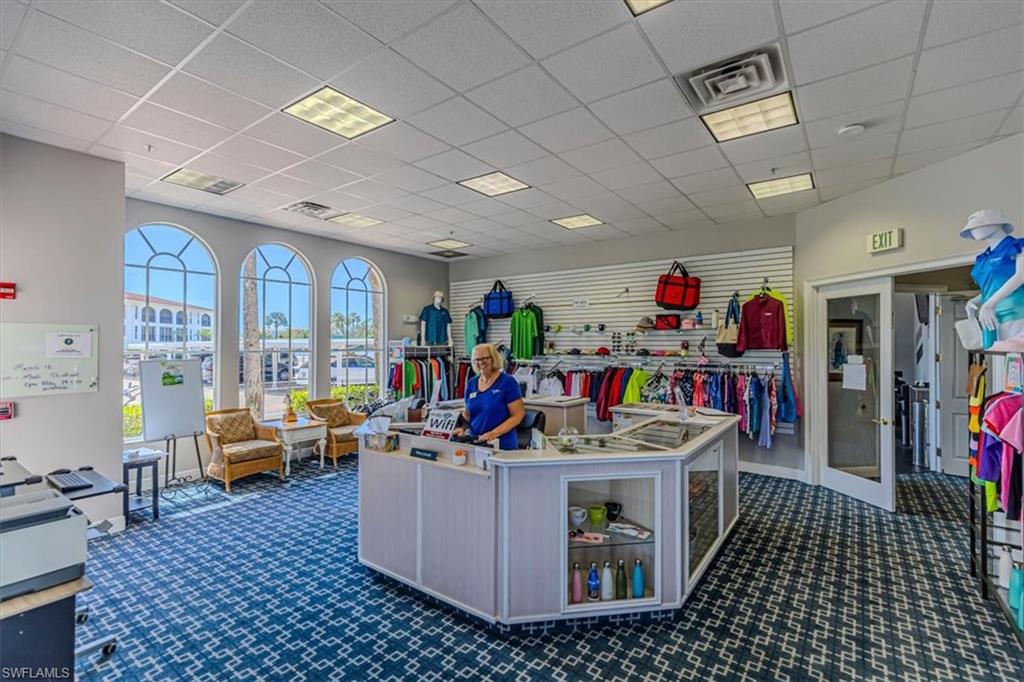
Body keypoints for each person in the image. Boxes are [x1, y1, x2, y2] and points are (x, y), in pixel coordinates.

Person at [460, 343, 525, 450]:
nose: (481, 362)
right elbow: (467, 414)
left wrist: (493, 433)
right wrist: (461, 427)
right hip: (476, 442)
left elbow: (518, 415)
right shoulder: (472, 383)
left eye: (485, 358)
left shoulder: (507, 382)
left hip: (502, 443)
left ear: (493, 358)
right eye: (477, 360)